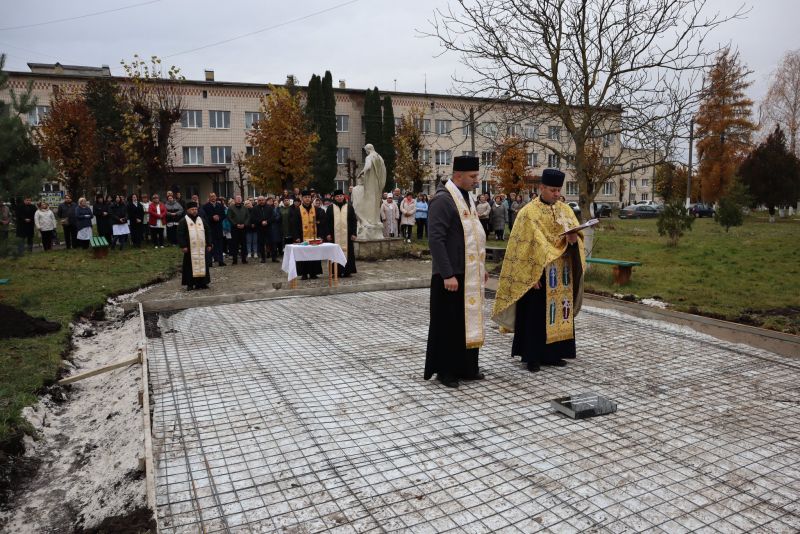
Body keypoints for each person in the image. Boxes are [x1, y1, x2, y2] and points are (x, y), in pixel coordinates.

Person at [492, 169, 586, 372]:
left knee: (559, 312)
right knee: (535, 315)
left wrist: (572, 240)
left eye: (559, 190)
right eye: (552, 190)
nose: (556, 194)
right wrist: (528, 276)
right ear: (541, 188)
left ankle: (554, 354)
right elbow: (520, 248)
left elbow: (577, 239)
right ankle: (532, 356)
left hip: (562, 274)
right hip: (537, 274)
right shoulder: (528, 213)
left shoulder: (566, 211)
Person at [424, 155, 488, 388]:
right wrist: (447, 274)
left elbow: (475, 234)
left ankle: (467, 367)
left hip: (468, 272)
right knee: (448, 325)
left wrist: (482, 267)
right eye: (472, 176)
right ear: (458, 175)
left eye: (476, 176)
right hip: (450, 276)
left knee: (466, 322)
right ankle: (446, 371)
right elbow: (436, 240)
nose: (476, 180)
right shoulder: (443, 200)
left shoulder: (466, 198)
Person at [177, 201, 212, 290]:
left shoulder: (201, 220)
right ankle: (190, 284)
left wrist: (209, 243)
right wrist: (183, 246)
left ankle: (202, 283)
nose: (194, 211)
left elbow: (208, 232)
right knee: (189, 266)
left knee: (203, 264)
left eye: (196, 209)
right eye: (192, 209)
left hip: (201, 248)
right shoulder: (184, 221)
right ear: (188, 210)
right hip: (190, 249)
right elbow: (180, 234)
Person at [290, 190, 324, 280]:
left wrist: (320, 235)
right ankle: (304, 273)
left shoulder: (316, 210)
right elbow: (294, 225)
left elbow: (320, 224)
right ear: (302, 198)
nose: (307, 199)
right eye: (305, 197)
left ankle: (314, 273)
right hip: (302, 237)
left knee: (314, 254)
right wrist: (296, 236)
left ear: (311, 198)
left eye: (309, 197)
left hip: (314, 236)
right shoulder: (297, 210)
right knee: (303, 255)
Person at [325, 189, 358, 277]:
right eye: (337, 196)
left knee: (348, 253)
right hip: (334, 236)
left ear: (343, 196)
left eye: (341, 196)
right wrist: (327, 234)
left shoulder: (349, 207)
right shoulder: (330, 208)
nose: (339, 198)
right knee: (334, 252)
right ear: (334, 198)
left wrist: (354, 233)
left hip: (347, 235)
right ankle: (336, 271)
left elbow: (354, 221)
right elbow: (327, 222)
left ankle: (347, 271)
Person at [203, 192, 226, 267]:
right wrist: (212, 218)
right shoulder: (205, 206)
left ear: (216, 197)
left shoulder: (220, 205)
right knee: (210, 245)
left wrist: (219, 217)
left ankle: (220, 261)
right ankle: (209, 262)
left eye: (214, 196)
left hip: (219, 227)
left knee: (220, 245)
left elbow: (223, 215)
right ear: (209, 198)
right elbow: (204, 217)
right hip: (210, 228)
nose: (213, 198)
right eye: (211, 196)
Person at [226, 195, 250, 264]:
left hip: (243, 228)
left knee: (244, 244)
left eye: (240, 198)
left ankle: (244, 259)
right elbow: (229, 217)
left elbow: (248, 217)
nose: (239, 200)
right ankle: (234, 260)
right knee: (234, 245)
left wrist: (244, 224)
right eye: (237, 198)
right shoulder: (231, 208)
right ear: (234, 200)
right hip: (235, 229)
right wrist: (236, 224)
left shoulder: (245, 208)